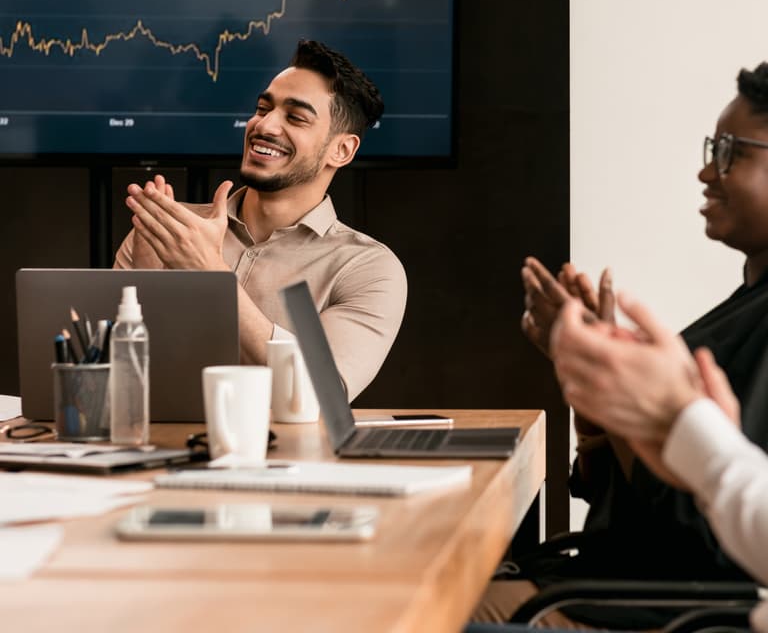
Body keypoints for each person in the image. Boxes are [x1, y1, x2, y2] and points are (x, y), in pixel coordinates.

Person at [473, 61, 768, 628]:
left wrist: (632, 403)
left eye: (731, 151)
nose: (708, 171)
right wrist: (598, 398)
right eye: (713, 147)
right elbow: (629, 493)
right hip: (599, 580)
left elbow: (704, 529)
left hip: (649, 611)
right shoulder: (743, 306)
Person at [114, 39, 407, 401]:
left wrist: (210, 274)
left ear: (341, 150)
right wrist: (144, 275)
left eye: (296, 117)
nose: (264, 125)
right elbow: (116, 382)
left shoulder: (367, 268)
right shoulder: (173, 230)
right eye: (262, 108)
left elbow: (323, 394)